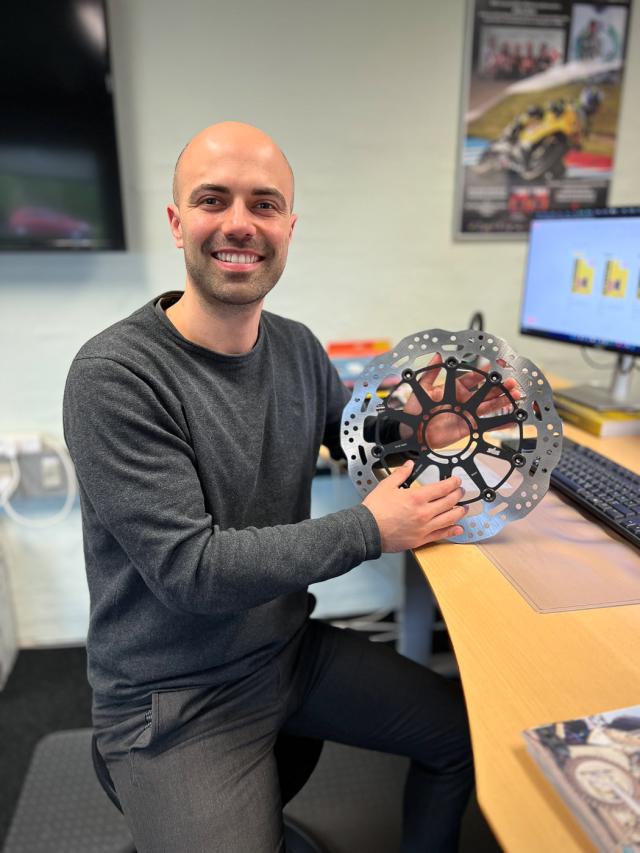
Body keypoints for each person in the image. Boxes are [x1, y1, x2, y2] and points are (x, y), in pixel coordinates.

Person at [64, 121, 498, 852]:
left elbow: (358, 434)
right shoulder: (116, 377)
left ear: (290, 226)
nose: (240, 223)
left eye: (264, 204)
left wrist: (430, 423)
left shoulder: (296, 346)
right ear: (177, 222)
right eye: (213, 200)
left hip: (285, 654)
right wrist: (372, 528)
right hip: (174, 698)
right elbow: (192, 572)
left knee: (461, 739)